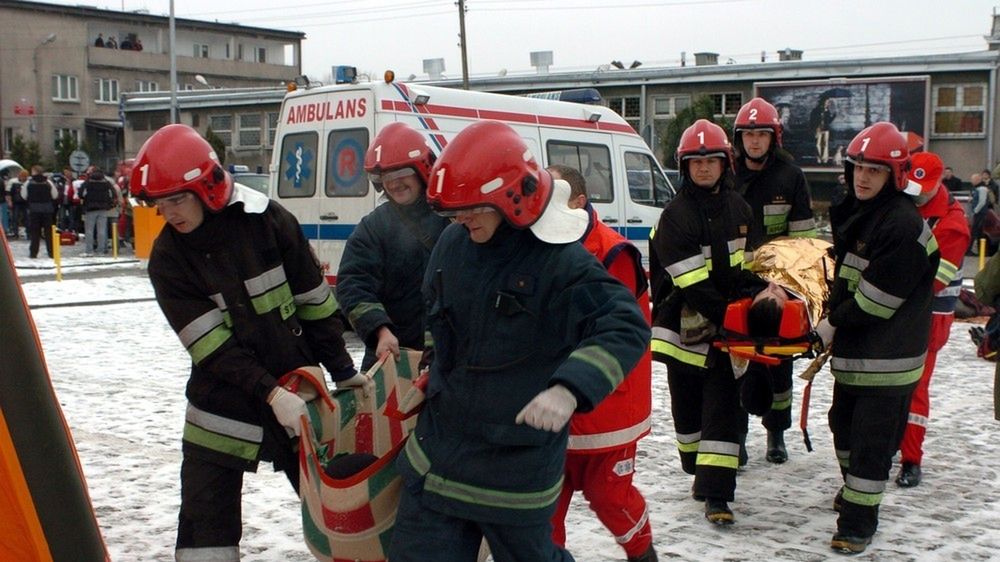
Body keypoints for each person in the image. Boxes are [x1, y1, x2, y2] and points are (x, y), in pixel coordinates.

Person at [387, 120, 650, 562]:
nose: (461, 219)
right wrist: (434, 366)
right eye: (454, 211)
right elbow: (439, 316)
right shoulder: (453, 244)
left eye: (472, 208)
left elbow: (624, 324)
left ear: (512, 198)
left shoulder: (559, 259)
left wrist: (569, 389)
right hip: (438, 457)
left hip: (513, 473)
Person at [129, 124, 363, 561]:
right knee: (205, 529)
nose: (168, 214)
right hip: (222, 408)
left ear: (208, 188)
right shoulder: (167, 259)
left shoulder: (269, 221)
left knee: (341, 512)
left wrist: (342, 369)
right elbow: (212, 348)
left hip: (297, 392)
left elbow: (314, 303)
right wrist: (271, 393)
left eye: (176, 200)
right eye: (159, 204)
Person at [820, 122, 939, 554]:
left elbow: (875, 302)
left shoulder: (901, 225)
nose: (863, 177)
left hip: (889, 360)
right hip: (858, 354)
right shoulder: (863, 214)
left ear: (895, 176)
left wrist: (831, 324)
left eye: (875, 170)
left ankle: (857, 525)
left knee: (870, 448)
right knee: (843, 430)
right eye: (858, 168)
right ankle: (855, 490)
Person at [649, 119, 765, 525]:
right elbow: (694, 286)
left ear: (724, 164)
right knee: (688, 419)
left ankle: (717, 495)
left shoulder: (740, 209)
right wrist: (733, 314)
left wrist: (761, 293)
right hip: (683, 331)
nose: (703, 167)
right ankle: (696, 469)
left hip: (724, 332)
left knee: (723, 411)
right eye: (695, 161)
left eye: (711, 160)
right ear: (684, 166)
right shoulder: (674, 216)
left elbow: (750, 266)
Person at [547, 164, 657, 562]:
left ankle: (643, 555)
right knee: (542, 511)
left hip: (608, 403)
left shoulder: (613, 252)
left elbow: (619, 333)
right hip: (552, 405)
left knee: (610, 497)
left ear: (579, 202)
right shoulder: (537, 244)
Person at [732, 97, 816, 464]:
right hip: (736, 284)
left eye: (761, 134)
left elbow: (803, 241)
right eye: (748, 134)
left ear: (773, 138)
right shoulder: (728, 173)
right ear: (739, 138)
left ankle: (776, 434)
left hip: (779, 285)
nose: (754, 141)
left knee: (779, 363)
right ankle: (737, 437)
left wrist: (784, 285)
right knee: (736, 361)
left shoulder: (791, 176)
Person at [336, 122, 448, 371]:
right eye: (385, 177)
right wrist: (380, 330)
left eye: (400, 174)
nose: (393, 183)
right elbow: (352, 284)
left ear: (422, 170)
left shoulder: (453, 218)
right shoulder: (373, 227)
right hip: (392, 357)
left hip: (447, 359)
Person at [895, 152, 970, 487]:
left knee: (915, 389)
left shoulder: (952, 225)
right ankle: (890, 444)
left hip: (930, 316)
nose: (915, 195)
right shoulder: (906, 203)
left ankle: (911, 459)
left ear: (939, 183)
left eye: (921, 190)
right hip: (899, 308)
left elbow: (934, 282)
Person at [21, 165, 58, 259]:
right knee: (48, 232)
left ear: (34, 172)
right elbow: (55, 195)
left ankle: (33, 253)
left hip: (34, 210)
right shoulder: (48, 182)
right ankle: (51, 252)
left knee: (35, 232)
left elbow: (23, 196)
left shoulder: (29, 182)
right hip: (47, 210)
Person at [79, 168, 118, 255]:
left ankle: (89, 250)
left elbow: (80, 193)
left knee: (89, 230)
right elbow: (113, 194)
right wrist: (109, 203)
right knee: (102, 230)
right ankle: (101, 250)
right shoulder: (106, 183)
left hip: (90, 208)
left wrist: (85, 199)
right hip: (103, 208)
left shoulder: (88, 182)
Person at [969, 173, 992, 255]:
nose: (971, 181)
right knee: (978, 232)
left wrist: (975, 211)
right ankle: (979, 251)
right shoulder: (978, 188)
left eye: (972, 179)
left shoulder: (982, 189)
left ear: (977, 179)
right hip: (979, 213)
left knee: (976, 232)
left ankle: (972, 250)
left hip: (980, 214)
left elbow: (982, 202)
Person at [812, 98, 837, 165]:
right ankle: (819, 158)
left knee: (825, 144)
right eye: (826, 102)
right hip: (818, 129)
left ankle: (825, 158)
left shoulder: (827, 111)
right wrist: (815, 127)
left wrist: (833, 116)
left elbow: (828, 121)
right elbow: (813, 119)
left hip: (826, 129)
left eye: (827, 103)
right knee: (818, 144)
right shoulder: (817, 110)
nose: (826, 104)